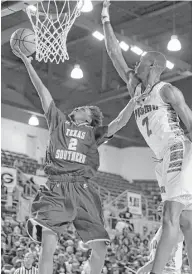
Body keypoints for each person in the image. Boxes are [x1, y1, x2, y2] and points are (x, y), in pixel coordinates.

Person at [101, 1, 192, 273]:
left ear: (151, 65)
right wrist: (105, 19)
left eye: (139, 63)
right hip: (162, 157)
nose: (134, 66)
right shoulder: (136, 89)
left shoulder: (168, 91)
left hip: (177, 149)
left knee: (170, 217)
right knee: (187, 222)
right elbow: (115, 53)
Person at [13, 47, 139, 274]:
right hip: (57, 188)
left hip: (82, 190)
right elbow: (42, 92)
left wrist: (134, 100)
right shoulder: (59, 122)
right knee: (47, 247)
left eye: (83, 109)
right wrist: (27, 62)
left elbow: (119, 122)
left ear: (90, 119)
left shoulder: (94, 134)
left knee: (100, 248)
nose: (77, 108)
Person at [136, 203, 184, 274]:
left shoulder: (175, 230)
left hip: (169, 271)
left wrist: (143, 269)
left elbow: (168, 256)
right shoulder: (162, 229)